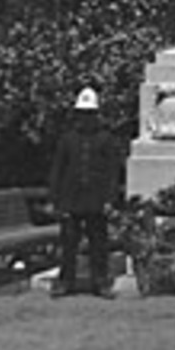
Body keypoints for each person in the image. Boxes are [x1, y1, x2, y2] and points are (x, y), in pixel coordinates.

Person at [48, 87, 124, 299]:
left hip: (96, 200)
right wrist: (55, 199)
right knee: (68, 243)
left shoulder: (106, 139)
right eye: (82, 114)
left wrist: (110, 199)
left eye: (89, 114)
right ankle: (66, 281)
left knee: (99, 244)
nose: (86, 119)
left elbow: (112, 172)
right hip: (71, 199)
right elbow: (58, 170)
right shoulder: (67, 139)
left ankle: (100, 282)